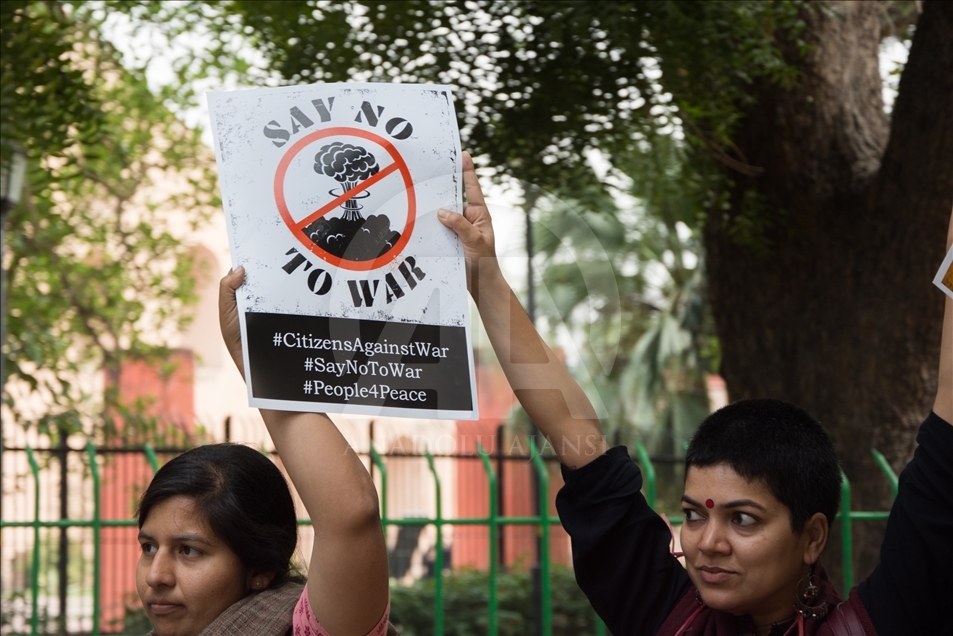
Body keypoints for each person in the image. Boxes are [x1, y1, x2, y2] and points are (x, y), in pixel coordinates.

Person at [437, 153, 953, 635]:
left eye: (743, 519)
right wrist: (483, 275)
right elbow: (575, 437)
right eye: (693, 514)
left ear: (812, 538)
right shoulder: (666, 614)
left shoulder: (878, 624)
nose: (708, 543)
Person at [134, 267, 392, 636]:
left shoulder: (296, 629)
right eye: (147, 546)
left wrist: (255, 354)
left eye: (189, 551)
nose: (156, 576)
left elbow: (351, 513)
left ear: (259, 570)